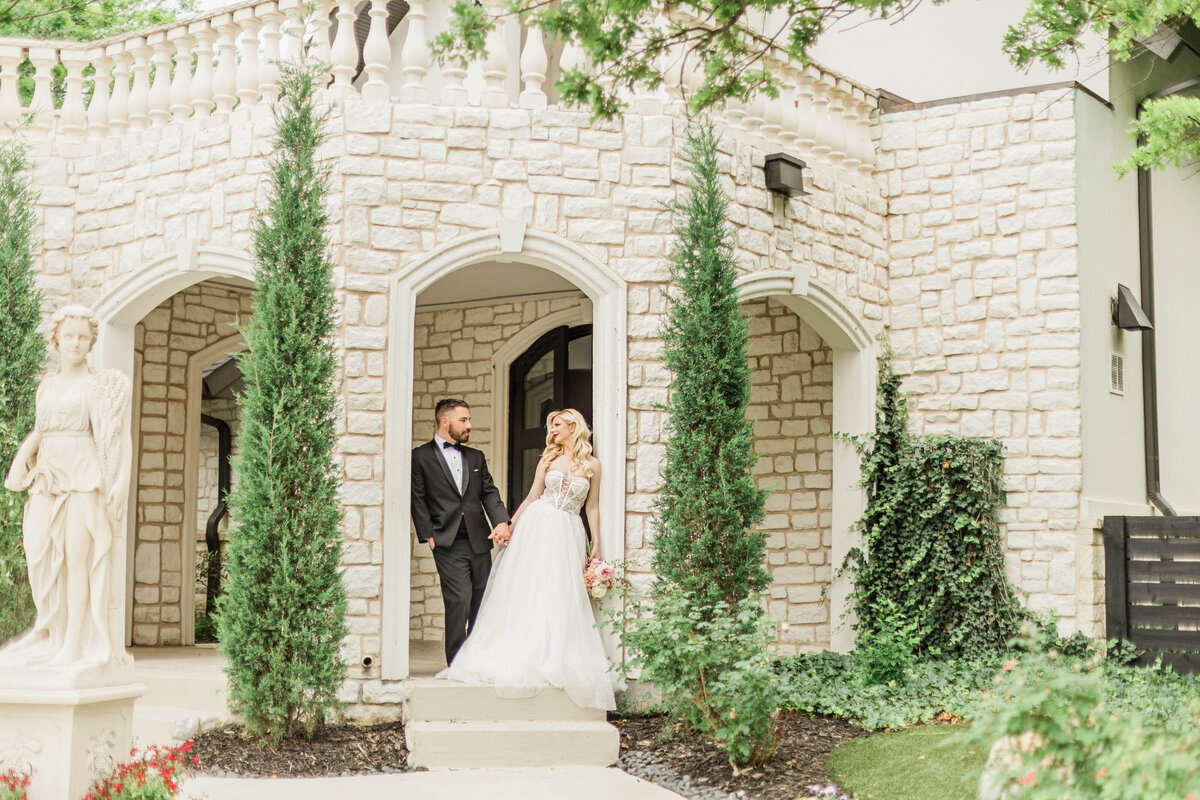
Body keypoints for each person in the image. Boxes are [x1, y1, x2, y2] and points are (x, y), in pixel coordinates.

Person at [437, 409, 622, 711]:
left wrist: (596, 543)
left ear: (574, 427)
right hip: (538, 526)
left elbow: (592, 507)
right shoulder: (548, 459)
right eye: (551, 427)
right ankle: (523, 652)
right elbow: (532, 496)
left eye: (557, 426)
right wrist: (510, 525)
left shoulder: (593, 466)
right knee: (531, 586)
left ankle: (555, 655)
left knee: (562, 592)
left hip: (569, 531)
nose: (552, 432)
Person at [2, 304, 132, 667]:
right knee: (39, 552)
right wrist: (20, 460)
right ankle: (47, 629)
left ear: (91, 342)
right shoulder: (47, 384)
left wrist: (121, 480)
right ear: (56, 339)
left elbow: (120, 436)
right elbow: (42, 430)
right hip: (47, 475)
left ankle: (73, 643)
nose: (75, 342)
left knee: (77, 560)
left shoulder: (100, 386)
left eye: (83, 337)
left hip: (83, 475)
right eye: (69, 336)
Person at [410, 398, 512, 665]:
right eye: (463, 420)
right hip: (446, 540)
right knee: (459, 599)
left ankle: (477, 656)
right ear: (445, 422)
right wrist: (428, 536)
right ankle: (456, 661)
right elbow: (418, 499)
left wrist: (501, 521)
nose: (469, 425)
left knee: (481, 597)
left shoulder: (475, 457)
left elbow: (489, 492)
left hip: (479, 538)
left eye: (469, 420)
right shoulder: (420, 456)